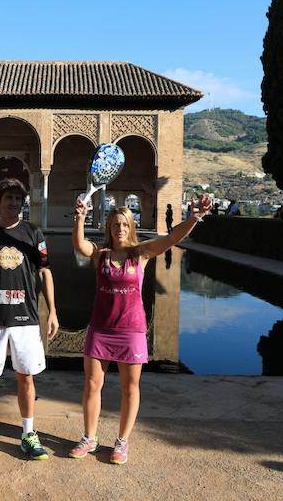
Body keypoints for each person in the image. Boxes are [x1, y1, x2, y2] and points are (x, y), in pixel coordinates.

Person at [69, 193, 212, 465]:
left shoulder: (141, 254)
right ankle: (89, 437)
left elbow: (172, 239)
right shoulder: (100, 255)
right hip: (100, 329)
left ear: (130, 228)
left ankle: (122, 442)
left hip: (131, 332)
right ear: (109, 229)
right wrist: (79, 219)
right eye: (115, 225)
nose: (120, 229)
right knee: (91, 385)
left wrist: (195, 217)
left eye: (124, 225)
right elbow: (79, 245)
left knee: (130, 387)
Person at [0, 178, 59, 462]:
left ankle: (28, 433)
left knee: (25, 377)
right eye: (9, 198)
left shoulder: (33, 233)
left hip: (26, 317)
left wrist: (51, 310)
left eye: (18, 198)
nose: (14, 203)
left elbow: (45, 273)